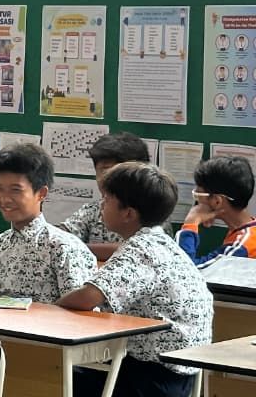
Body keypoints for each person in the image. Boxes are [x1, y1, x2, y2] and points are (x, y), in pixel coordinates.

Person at [58, 163, 213, 397]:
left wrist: (52, 307)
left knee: (55, 376)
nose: (101, 205)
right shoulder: (158, 242)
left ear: (128, 214)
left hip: (153, 375)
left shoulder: (141, 250)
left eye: (107, 200)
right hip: (177, 372)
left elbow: (88, 297)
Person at [0, 143, 96, 303]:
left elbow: (81, 312)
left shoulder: (63, 248)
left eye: (16, 190)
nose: (5, 199)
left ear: (41, 193)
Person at [60, 132, 152, 260]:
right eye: (103, 171)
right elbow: (60, 238)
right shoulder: (93, 210)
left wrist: (76, 248)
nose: (107, 179)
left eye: (114, 172)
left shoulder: (154, 210)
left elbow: (139, 249)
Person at [177, 156, 256, 267]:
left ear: (217, 201)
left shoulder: (241, 247)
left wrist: (190, 224)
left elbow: (185, 270)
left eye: (198, 195)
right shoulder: (247, 232)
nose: (197, 202)